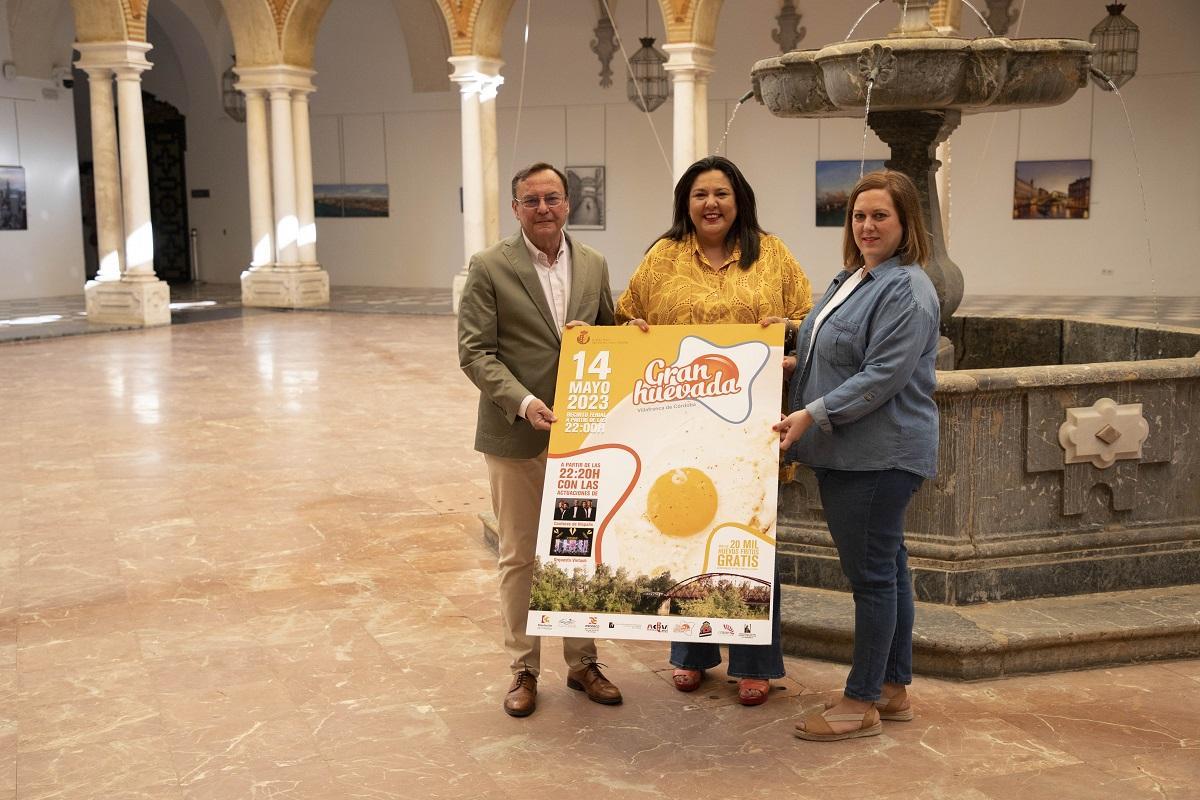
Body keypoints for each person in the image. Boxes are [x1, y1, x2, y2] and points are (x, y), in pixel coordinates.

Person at [615, 155, 813, 706]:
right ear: (686, 202)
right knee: (686, 531)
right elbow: (625, 315)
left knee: (753, 536)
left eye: (721, 193)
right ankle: (690, 653)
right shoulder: (662, 258)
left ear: (739, 199)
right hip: (678, 424)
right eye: (700, 194)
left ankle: (755, 661)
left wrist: (791, 332)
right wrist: (630, 331)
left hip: (753, 427)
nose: (711, 204)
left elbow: (811, 318)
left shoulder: (771, 254)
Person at [774, 170, 940, 741]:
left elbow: (881, 378)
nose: (867, 226)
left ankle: (860, 700)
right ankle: (892, 689)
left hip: (878, 456)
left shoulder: (908, 290)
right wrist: (794, 360)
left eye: (880, 216)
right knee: (888, 569)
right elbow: (834, 346)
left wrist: (809, 414)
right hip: (851, 453)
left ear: (905, 223)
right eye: (859, 216)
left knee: (870, 579)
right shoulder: (855, 278)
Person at [458, 162, 621, 718]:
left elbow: (608, 339)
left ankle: (583, 664)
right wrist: (525, 403)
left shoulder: (594, 264)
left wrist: (632, 338)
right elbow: (475, 352)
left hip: (581, 435)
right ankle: (523, 669)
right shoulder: (489, 267)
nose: (544, 208)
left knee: (576, 553)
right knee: (520, 555)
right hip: (514, 433)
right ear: (516, 208)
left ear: (568, 203)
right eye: (532, 201)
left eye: (553, 198)